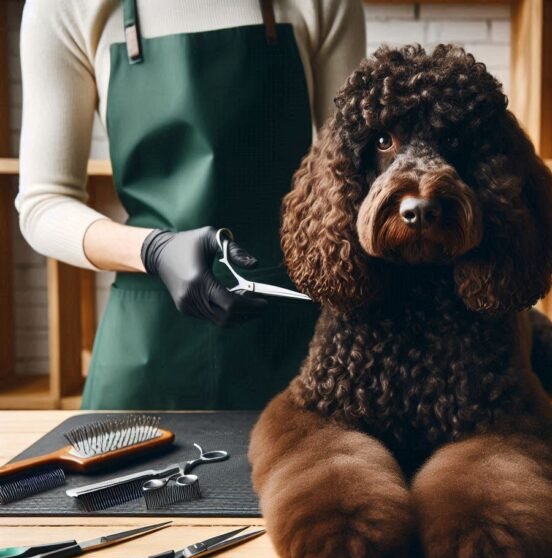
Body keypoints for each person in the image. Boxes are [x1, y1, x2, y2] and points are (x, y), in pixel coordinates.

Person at [16, 0, 366, 410]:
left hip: (292, 341)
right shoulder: (64, 7)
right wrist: (154, 249)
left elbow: (354, 179)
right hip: (148, 346)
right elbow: (44, 202)